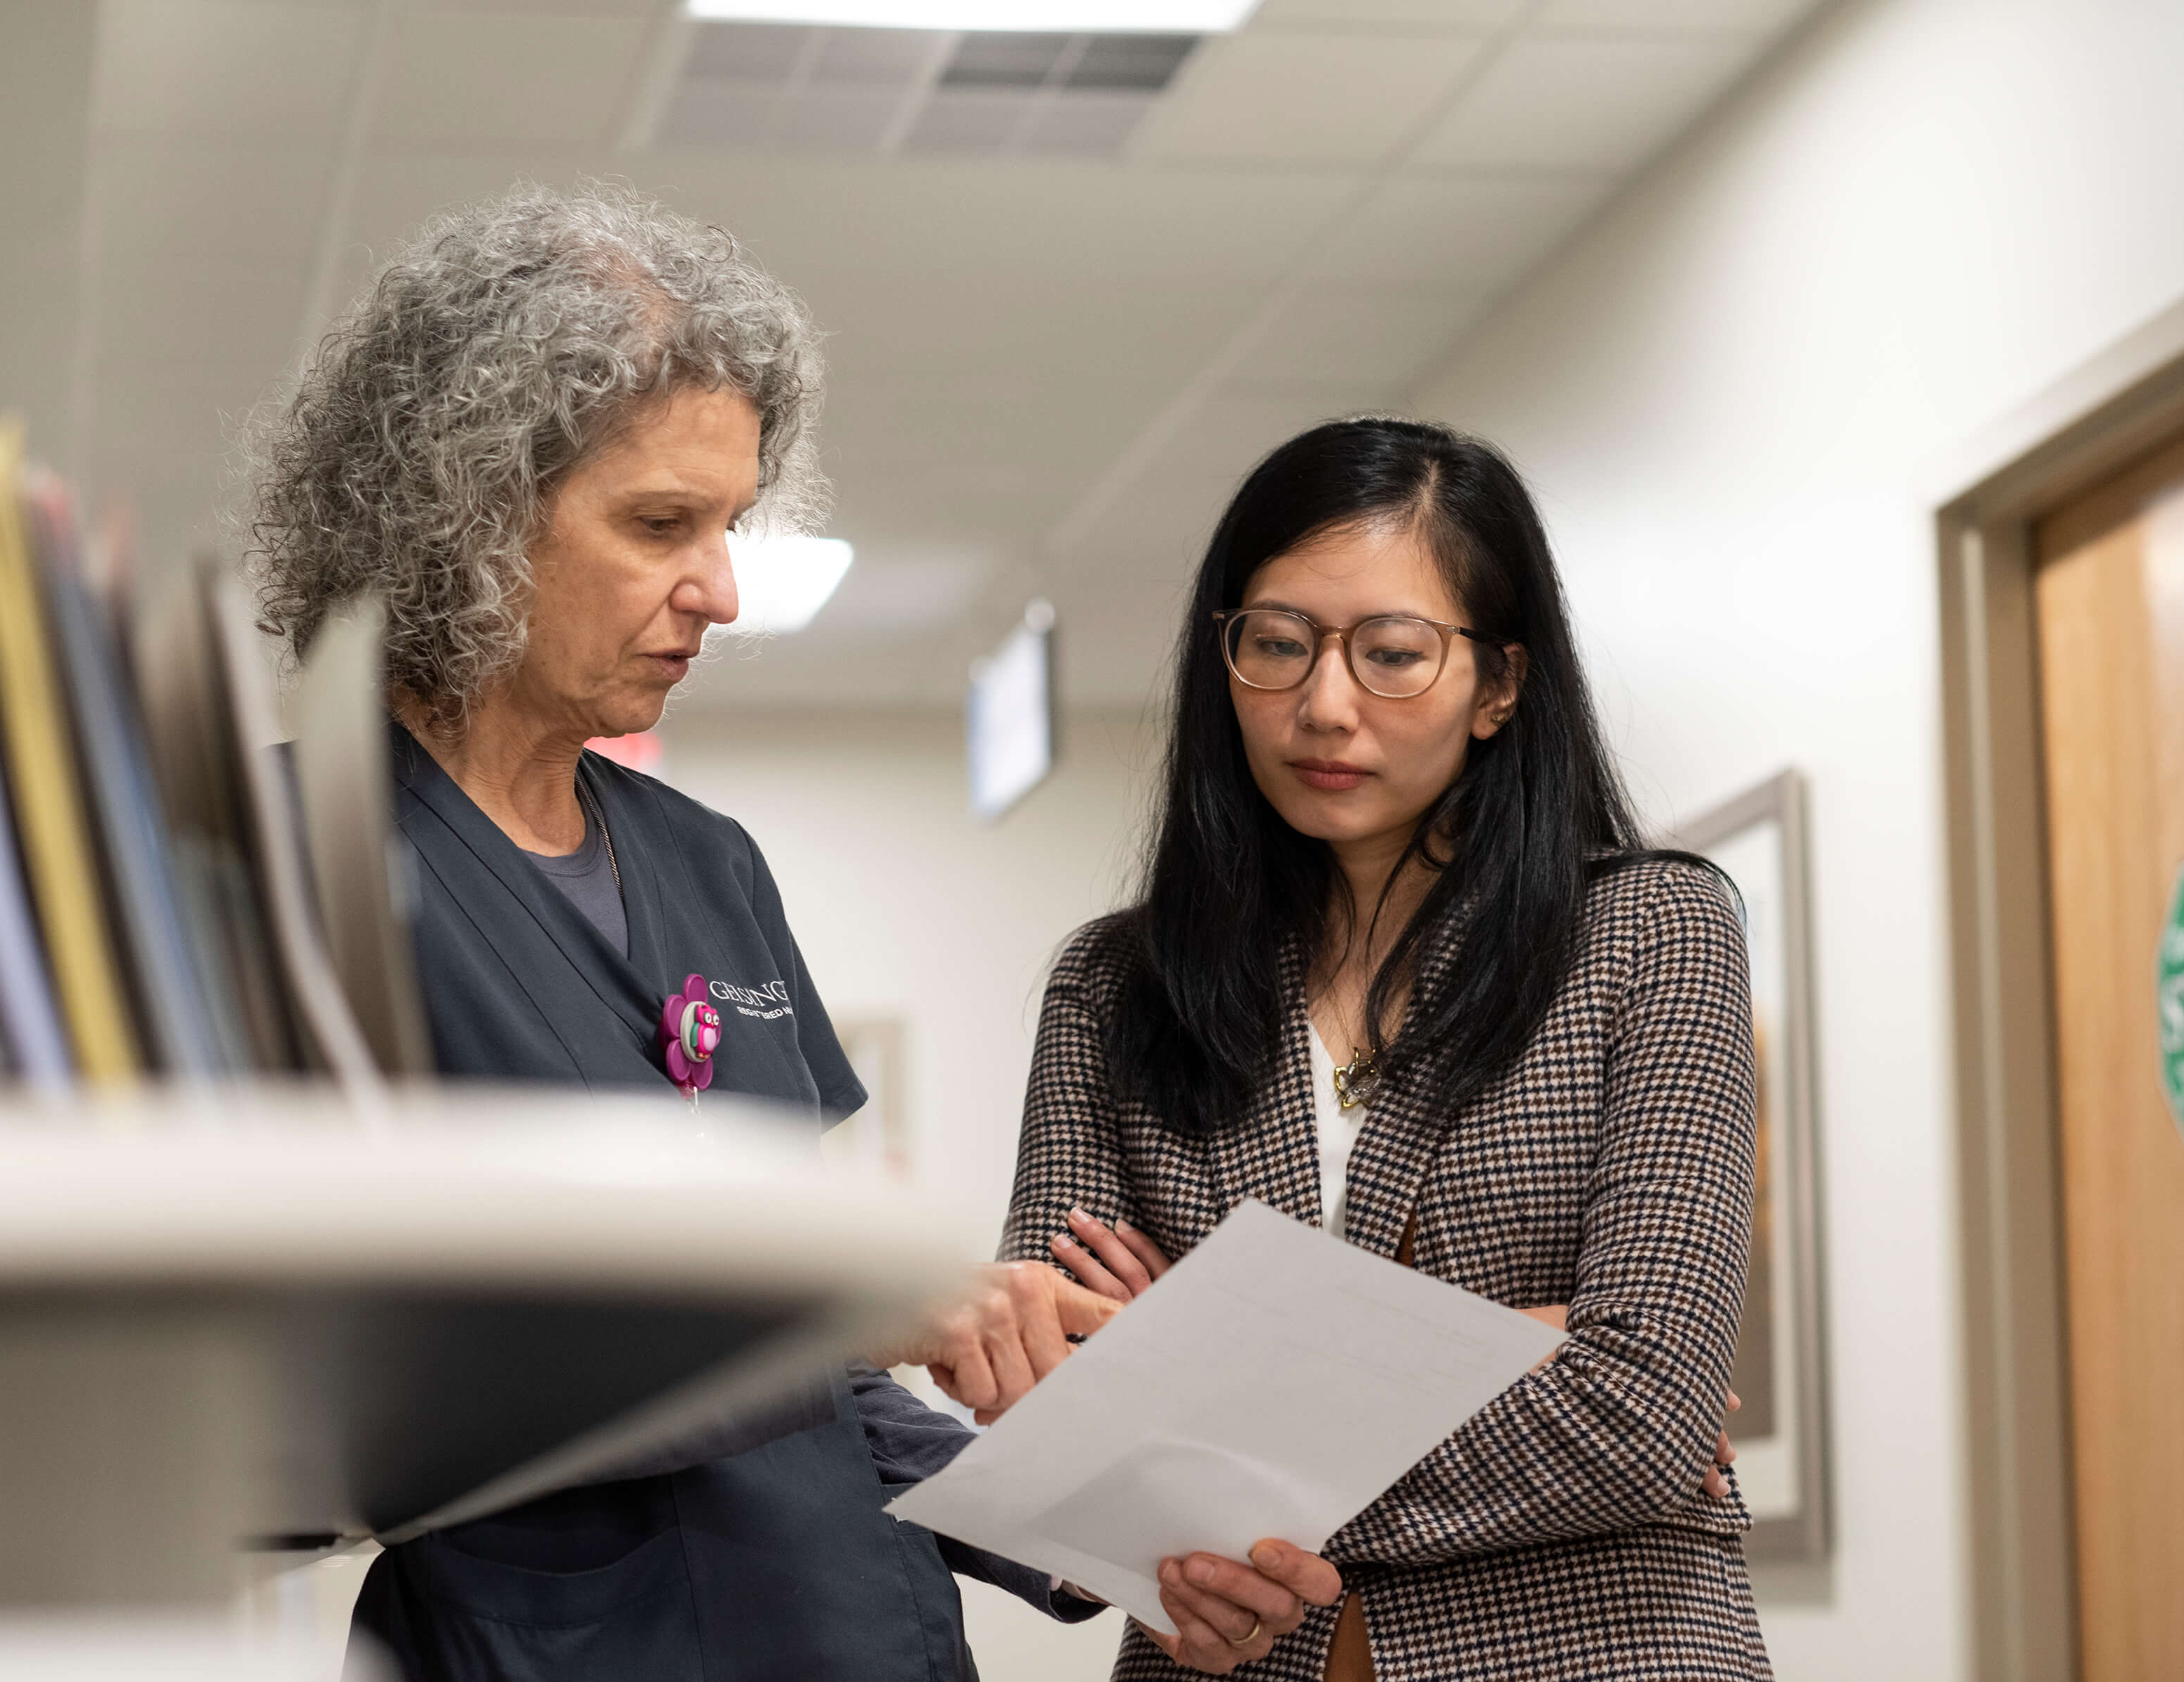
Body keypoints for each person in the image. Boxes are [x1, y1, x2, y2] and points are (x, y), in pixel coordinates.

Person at [243, 182, 1338, 1681]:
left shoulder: (707, 866)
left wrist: (1107, 1541)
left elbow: (819, 1385)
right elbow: (330, 1396)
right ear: (463, 514)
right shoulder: (274, 868)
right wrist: (839, 1311)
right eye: (660, 525)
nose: (720, 589)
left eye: (732, 525)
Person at [998, 417, 1771, 1680]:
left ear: (1500, 685)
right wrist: (1508, 1342)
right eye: (1277, 644)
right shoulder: (1114, 986)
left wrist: (1193, 1387)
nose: (1323, 706)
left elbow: (1643, 1410)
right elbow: (1053, 1417)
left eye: (1393, 655)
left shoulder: (1649, 932)